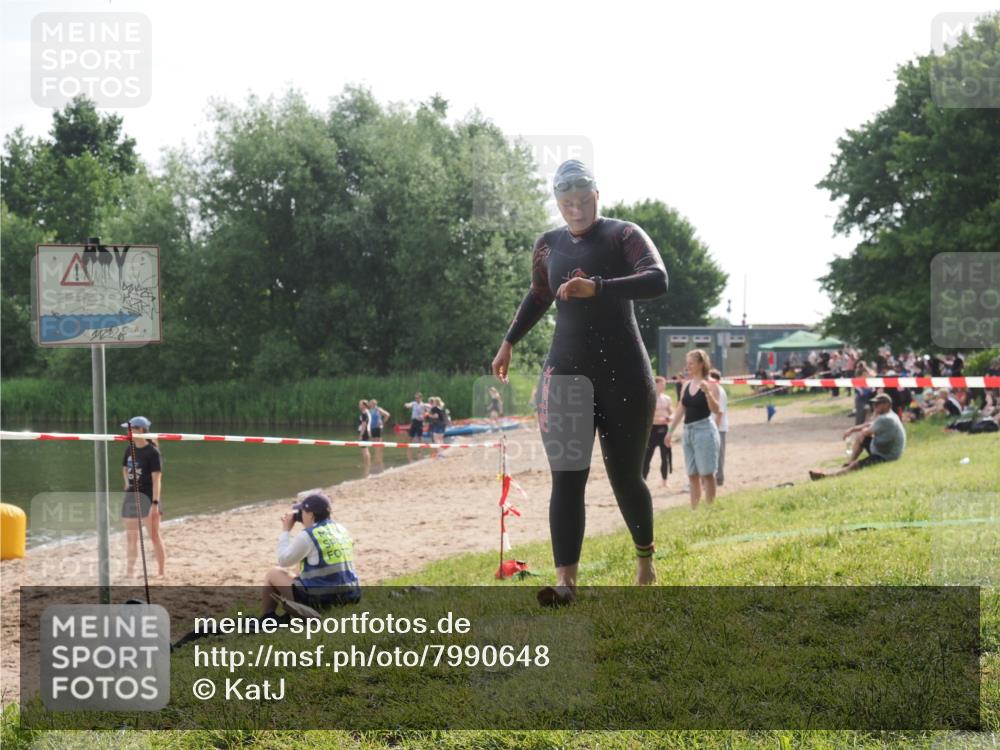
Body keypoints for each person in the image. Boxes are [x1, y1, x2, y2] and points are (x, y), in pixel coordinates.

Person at [490, 159, 668, 605]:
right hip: (564, 374)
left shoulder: (623, 234)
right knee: (567, 478)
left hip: (625, 373)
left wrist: (599, 286)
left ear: (596, 195)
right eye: (566, 202)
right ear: (558, 202)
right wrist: (509, 341)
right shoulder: (547, 247)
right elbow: (538, 294)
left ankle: (645, 561)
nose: (575, 209)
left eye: (582, 200)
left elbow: (657, 279)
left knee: (626, 478)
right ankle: (567, 582)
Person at [260, 492, 360, 621]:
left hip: (323, 600)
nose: (300, 515)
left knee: (273, 574)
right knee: (299, 569)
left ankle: (266, 618)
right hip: (351, 596)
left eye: (302, 511)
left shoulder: (309, 535)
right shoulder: (341, 530)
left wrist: (285, 531)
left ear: (311, 514)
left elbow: (283, 560)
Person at [667, 350, 723, 509]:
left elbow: (716, 409)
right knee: (692, 474)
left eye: (691, 363)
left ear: (701, 364)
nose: (688, 366)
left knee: (707, 473)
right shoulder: (686, 384)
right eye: (688, 362)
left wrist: (707, 394)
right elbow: (681, 408)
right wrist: (670, 431)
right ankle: (695, 509)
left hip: (705, 430)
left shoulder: (711, 384)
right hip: (688, 431)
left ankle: (709, 508)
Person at [809, 393, 906, 480]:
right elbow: (870, 425)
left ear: (887, 404)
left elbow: (867, 431)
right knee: (860, 437)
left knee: (857, 465)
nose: (875, 406)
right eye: (874, 404)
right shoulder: (890, 414)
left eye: (878, 403)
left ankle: (827, 476)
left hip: (886, 455)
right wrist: (852, 429)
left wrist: (873, 415)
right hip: (885, 449)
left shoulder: (885, 419)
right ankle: (850, 462)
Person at [121, 416, 166, 578]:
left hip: (148, 497)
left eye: (130, 429)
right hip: (131, 497)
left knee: (154, 537)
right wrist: (127, 482)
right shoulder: (129, 448)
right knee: (131, 537)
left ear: (140, 430)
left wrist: (155, 503)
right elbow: (125, 468)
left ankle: (161, 572)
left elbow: (157, 480)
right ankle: (130, 573)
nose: (128, 432)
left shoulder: (152, 452)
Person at [643, 376, 673, 488]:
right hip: (653, 430)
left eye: (664, 384)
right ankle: (644, 478)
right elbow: (647, 416)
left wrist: (670, 418)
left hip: (664, 429)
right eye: (661, 384)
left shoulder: (667, 398)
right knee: (647, 456)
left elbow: (672, 412)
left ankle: (664, 480)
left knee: (665, 456)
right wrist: (659, 419)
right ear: (655, 385)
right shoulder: (650, 398)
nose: (663, 386)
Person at [709, 369, 729, 487]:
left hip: (719, 427)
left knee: (719, 454)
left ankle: (719, 479)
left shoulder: (720, 391)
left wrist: (714, 429)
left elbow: (720, 413)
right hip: (715, 426)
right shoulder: (714, 390)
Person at [403, 392, 427, 461]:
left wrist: (423, 416)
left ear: (420, 398)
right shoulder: (414, 403)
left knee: (420, 436)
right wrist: (406, 405)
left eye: (417, 398)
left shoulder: (423, 405)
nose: (416, 399)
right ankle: (409, 449)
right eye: (415, 398)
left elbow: (427, 411)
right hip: (414, 421)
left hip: (420, 421)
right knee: (410, 436)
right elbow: (409, 405)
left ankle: (420, 450)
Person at [367, 399, 390, 468]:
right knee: (374, 443)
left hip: (378, 428)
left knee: (378, 444)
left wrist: (382, 423)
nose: (371, 404)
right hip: (372, 428)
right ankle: (377, 459)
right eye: (370, 403)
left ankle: (378, 460)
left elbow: (387, 415)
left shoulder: (378, 409)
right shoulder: (369, 410)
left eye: (372, 403)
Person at [357, 400, 371, 472]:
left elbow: (364, 424)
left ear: (364, 405)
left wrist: (361, 435)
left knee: (364, 450)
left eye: (360, 404)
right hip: (366, 432)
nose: (359, 406)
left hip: (364, 433)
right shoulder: (367, 412)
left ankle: (367, 465)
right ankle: (367, 465)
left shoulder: (364, 413)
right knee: (366, 449)